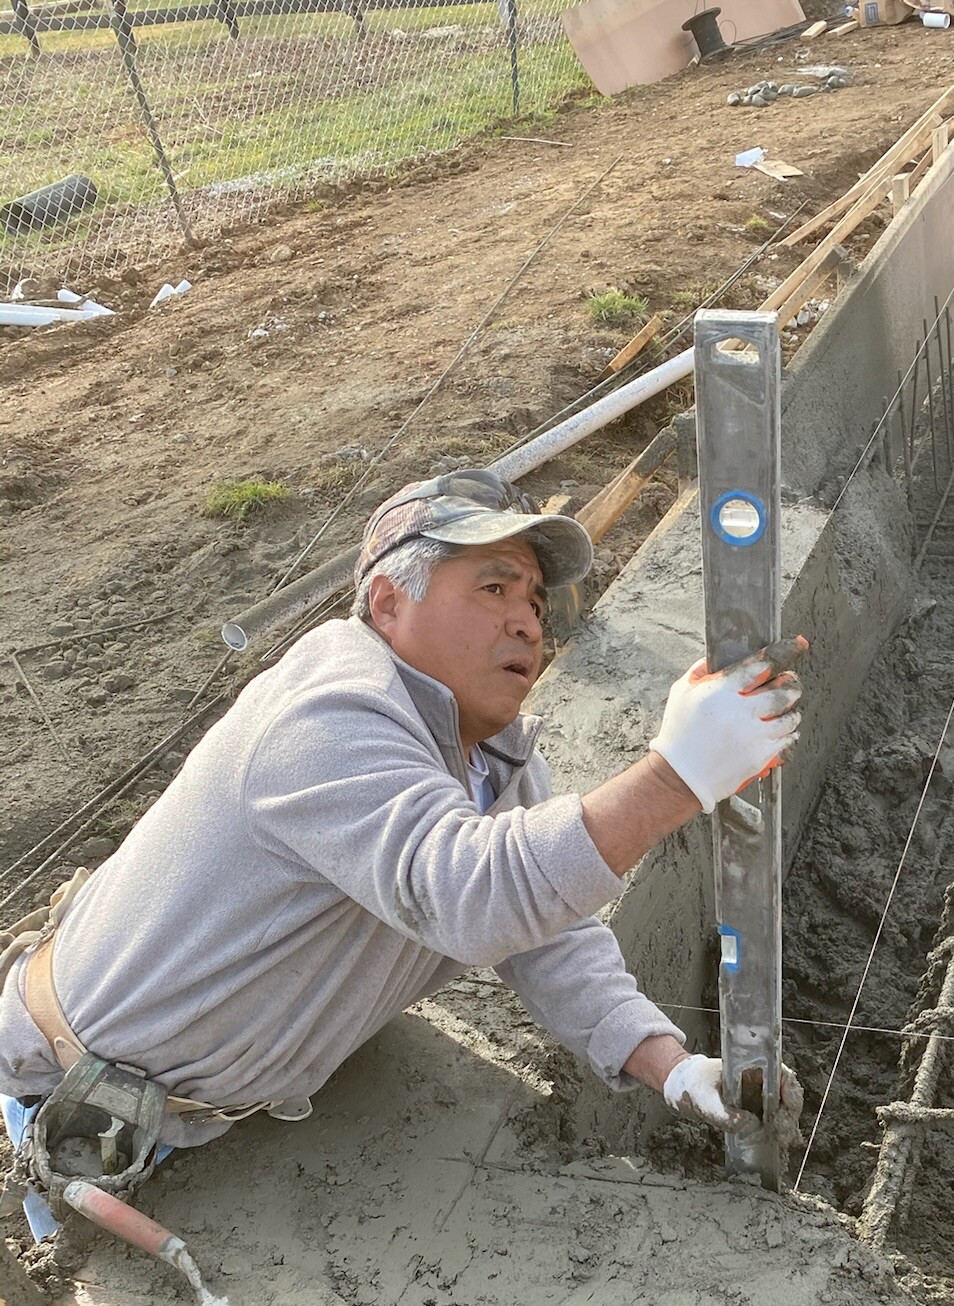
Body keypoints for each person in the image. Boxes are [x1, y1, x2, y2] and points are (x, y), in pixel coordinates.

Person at [0, 468, 804, 1209]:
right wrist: (674, 777)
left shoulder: (490, 754)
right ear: (387, 604)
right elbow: (474, 898)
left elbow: (547, 935)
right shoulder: (328, 714)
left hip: (206, 1098)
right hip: (74, 1096)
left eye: (535, 600)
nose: (527, 621)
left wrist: (670, 1067)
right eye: (494, 586)